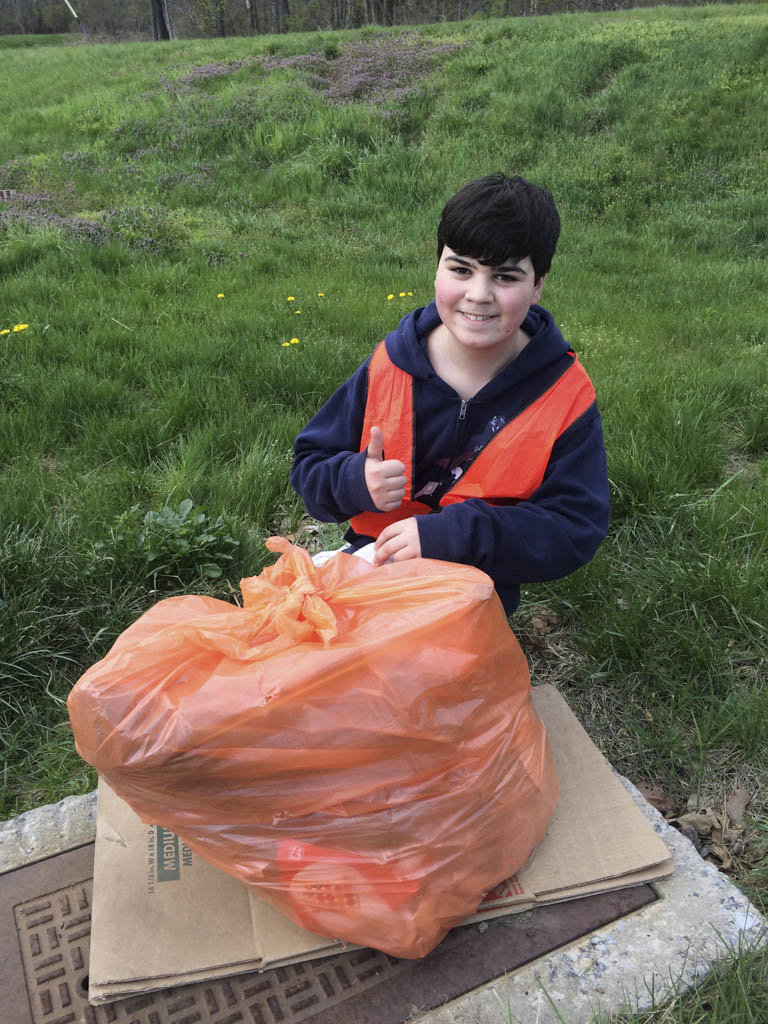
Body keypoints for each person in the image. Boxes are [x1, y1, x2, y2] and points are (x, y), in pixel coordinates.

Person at [289, 174, 609, 614]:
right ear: (437, 266)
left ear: (538, 286)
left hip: (476, 592)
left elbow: (574, 528)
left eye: (505, 276)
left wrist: (452, 536)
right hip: (369, 573)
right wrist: (352, 481)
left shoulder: (564, 393)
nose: (478, 295)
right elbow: (308, 468)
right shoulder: (389, 365)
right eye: (461, 269)